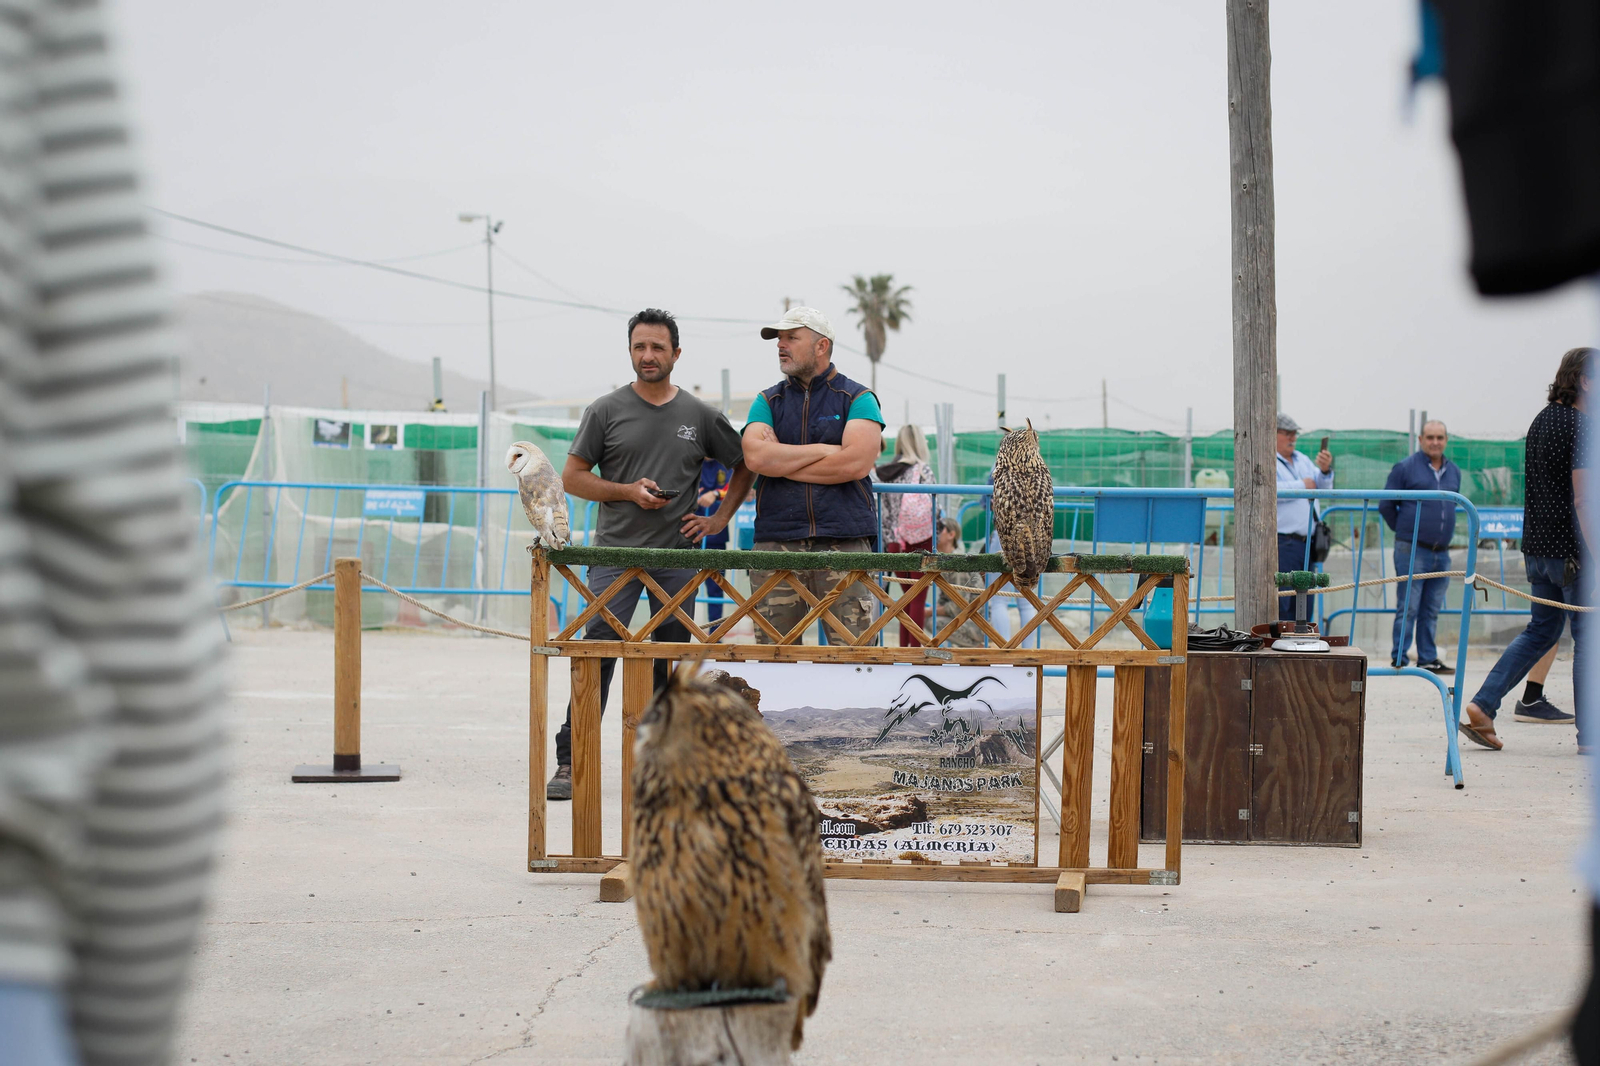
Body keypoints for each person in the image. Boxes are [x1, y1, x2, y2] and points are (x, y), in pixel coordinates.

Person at [547, 309, 753, 799]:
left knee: (671, 658)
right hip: (614, 555)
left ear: (676, 354)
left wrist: (718, 520)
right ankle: (570, 761)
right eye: (639, 346)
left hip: (676, 557)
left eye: (658, 347)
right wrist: (626, 491)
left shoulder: (700, 416)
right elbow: (572, 478)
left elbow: (745, 464)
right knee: (597, 651)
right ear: (630, 351)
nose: (648, 355)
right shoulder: (605, 410)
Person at [1460, 347, 1595, 751]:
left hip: (1537, 547)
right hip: (1572, 552)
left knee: (1542, 630)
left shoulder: (1541, 420)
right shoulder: (1584, 426)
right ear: (1585, 381)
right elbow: (1585, 499)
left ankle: (1483, 705)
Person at [740, 307, 886, 643]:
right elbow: (755, 457)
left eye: (792, 337)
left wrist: (782, 462)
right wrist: (825, 450)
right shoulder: (767, 400)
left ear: (822, 346)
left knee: (855, 658)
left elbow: (855, 465)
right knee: (775, 658)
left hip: (844, 541)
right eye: (779, 339)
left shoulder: (859, 398)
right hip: (776, 541)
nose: (781, 345)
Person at [1379, 420, 1462, 672]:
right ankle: (1400, 659)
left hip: (1442, 552)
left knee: (1431, 608)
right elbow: (1386, 505)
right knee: (1409, 606)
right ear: (1420, 440)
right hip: (1412, 550)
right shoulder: (1405, 468)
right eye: (1430, 437)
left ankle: (1427, 658)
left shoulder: (1454, 471)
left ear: (1446, 440)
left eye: (1440, 437)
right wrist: (1406, 532)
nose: (1435, 442)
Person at [877, 425, 936, 645]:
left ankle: (903, 652)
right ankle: (916, 653)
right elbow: (935, 508)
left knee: (906, 600)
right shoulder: (923, 471)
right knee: (918, 599)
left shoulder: (884, 474)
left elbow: (883, 512)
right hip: (921, 540)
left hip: (894, 542)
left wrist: (889, 540)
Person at [1274, 413, 1335, 621]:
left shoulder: (1303, 459)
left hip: (1306, 543)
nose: (1292, 438)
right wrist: (1302, 485)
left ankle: (1301, 638)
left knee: (1304, 602)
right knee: (1283, 601)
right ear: (1272, 434)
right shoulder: (1266, 460)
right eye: (1287, 433)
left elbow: (1324, 488)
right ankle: (1281, 639)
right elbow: (1268, 490)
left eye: (1294, 434)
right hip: (1283, 543)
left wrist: (1325, 471)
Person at [932, 516, 987, 647]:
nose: (935, 531)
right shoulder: (945, 562)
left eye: (940, 528)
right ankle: (975, 649)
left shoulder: (958, 565)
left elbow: (959, 607)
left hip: (979, 622)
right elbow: (944, 600)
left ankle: (976, 649)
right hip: (968, 618)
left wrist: (929, 611)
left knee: (933, 621)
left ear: (951, 535)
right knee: (931, 619)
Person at [694, 457, 734, 623]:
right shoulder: (691, 459)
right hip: (689, 534)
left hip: (716, 537)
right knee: (682, 587)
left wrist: (715, 494)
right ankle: (680, 633)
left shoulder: (725, 462)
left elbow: (735, 488)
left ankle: (715, 633)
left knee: (716, 588)